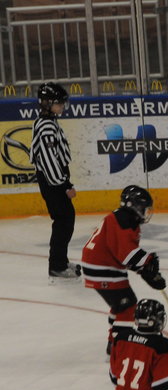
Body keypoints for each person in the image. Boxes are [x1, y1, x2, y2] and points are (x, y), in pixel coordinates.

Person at [81, 185, 167, 355]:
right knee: (128, 307)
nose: (145, 212)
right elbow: (127, 254)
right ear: (132, 205)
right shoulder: (123, 220)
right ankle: (118, 347)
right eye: (143, 208)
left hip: (103, 266)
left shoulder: (125, 219)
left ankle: (113, 341)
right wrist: (147, 262)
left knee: (120, 305)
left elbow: (125, 255)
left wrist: (145, 271)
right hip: (103, 268)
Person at [29, 82, 80, 282]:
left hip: (53, 180)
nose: (62, 106)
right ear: (47, 103)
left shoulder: (48, 122)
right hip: (52, 182)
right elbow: (49, 160)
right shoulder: (46, 126)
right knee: (63, 221)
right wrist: (64, 185)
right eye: (59, 103)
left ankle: (60, 261)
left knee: (65, 220)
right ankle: (57, 266)